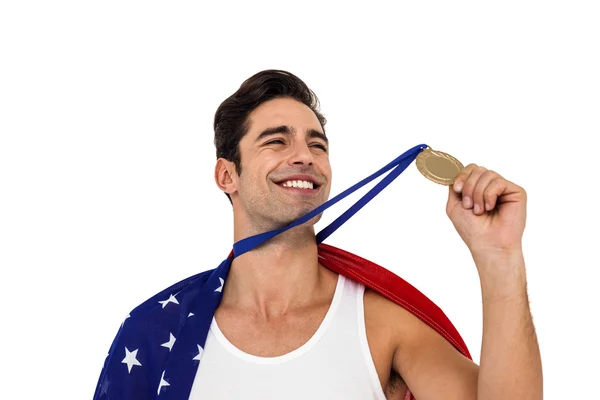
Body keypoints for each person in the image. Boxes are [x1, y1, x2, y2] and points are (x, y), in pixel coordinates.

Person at [94, 69, 543, 400]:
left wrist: (499, 257)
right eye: (276, 141)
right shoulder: (155, 331)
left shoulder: (381, 325)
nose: (304, 157)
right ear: (226, 175)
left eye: (317, 144)